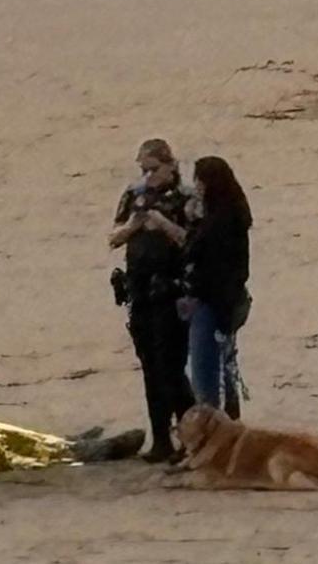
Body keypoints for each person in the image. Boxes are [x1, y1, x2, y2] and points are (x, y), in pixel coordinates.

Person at [108, 138, 197, 463]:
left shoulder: (187, 198)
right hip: (139, 289)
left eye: (153, 169)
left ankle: (190, 437)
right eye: (143, 170)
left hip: (172, 292)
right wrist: (134, 225)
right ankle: (161, 439)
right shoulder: (134, 195)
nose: (148, 176)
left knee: (171, 365)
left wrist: (162, 223)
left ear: (171, 165)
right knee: (149, 365)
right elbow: (113, 238)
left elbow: (193, 241)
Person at [178, 156, 252, 417]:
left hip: (212, 303)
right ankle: (230, 423)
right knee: (225, 367)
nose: (196, 185)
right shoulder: (233, 213)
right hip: (228, 302)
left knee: (205, 373)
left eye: (199, 179)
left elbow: (196, 253)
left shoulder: (217, 221)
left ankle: (214, 429)